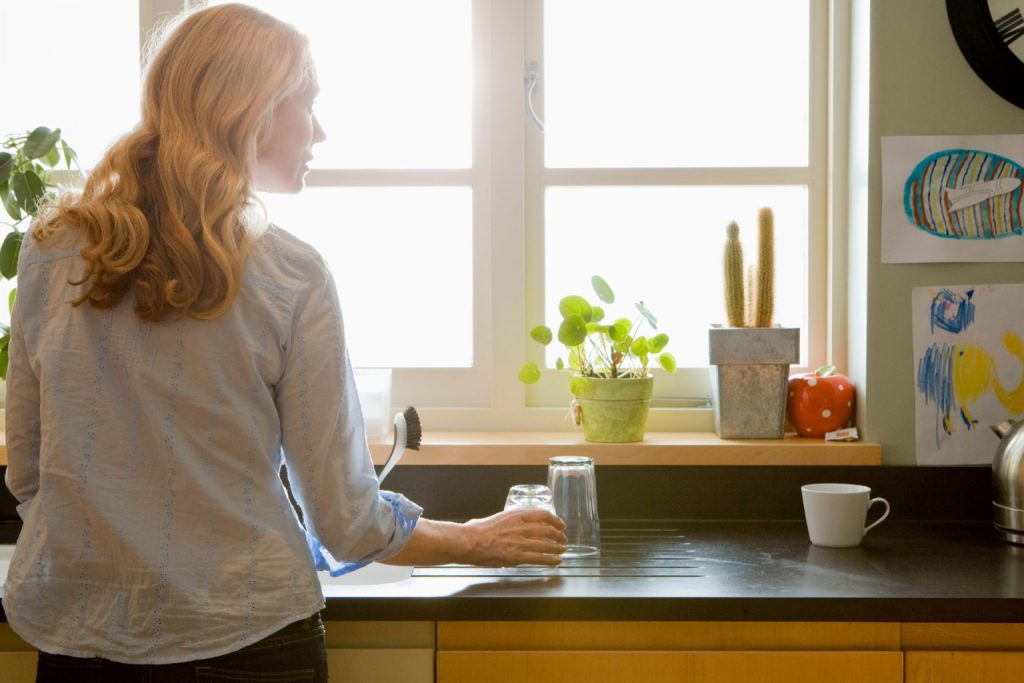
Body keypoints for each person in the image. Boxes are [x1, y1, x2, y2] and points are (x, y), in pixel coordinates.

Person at [1, 4, 566, 681]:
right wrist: (473, 541)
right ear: (254, 111)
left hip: (79, 643)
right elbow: (345, 524)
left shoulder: (50, 251)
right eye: (309, 104)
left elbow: (30, 474)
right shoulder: (290, 275)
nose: (320, 132)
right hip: (252, 648)